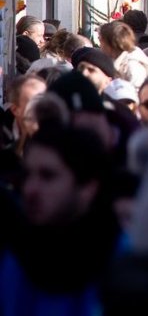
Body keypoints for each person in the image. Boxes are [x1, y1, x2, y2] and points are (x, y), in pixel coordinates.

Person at [0, 126, 119, 314]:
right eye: (27, 175)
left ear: (88, 187)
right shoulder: (17, 255)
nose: (30, 189)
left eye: (48, 176)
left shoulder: (124, 263)